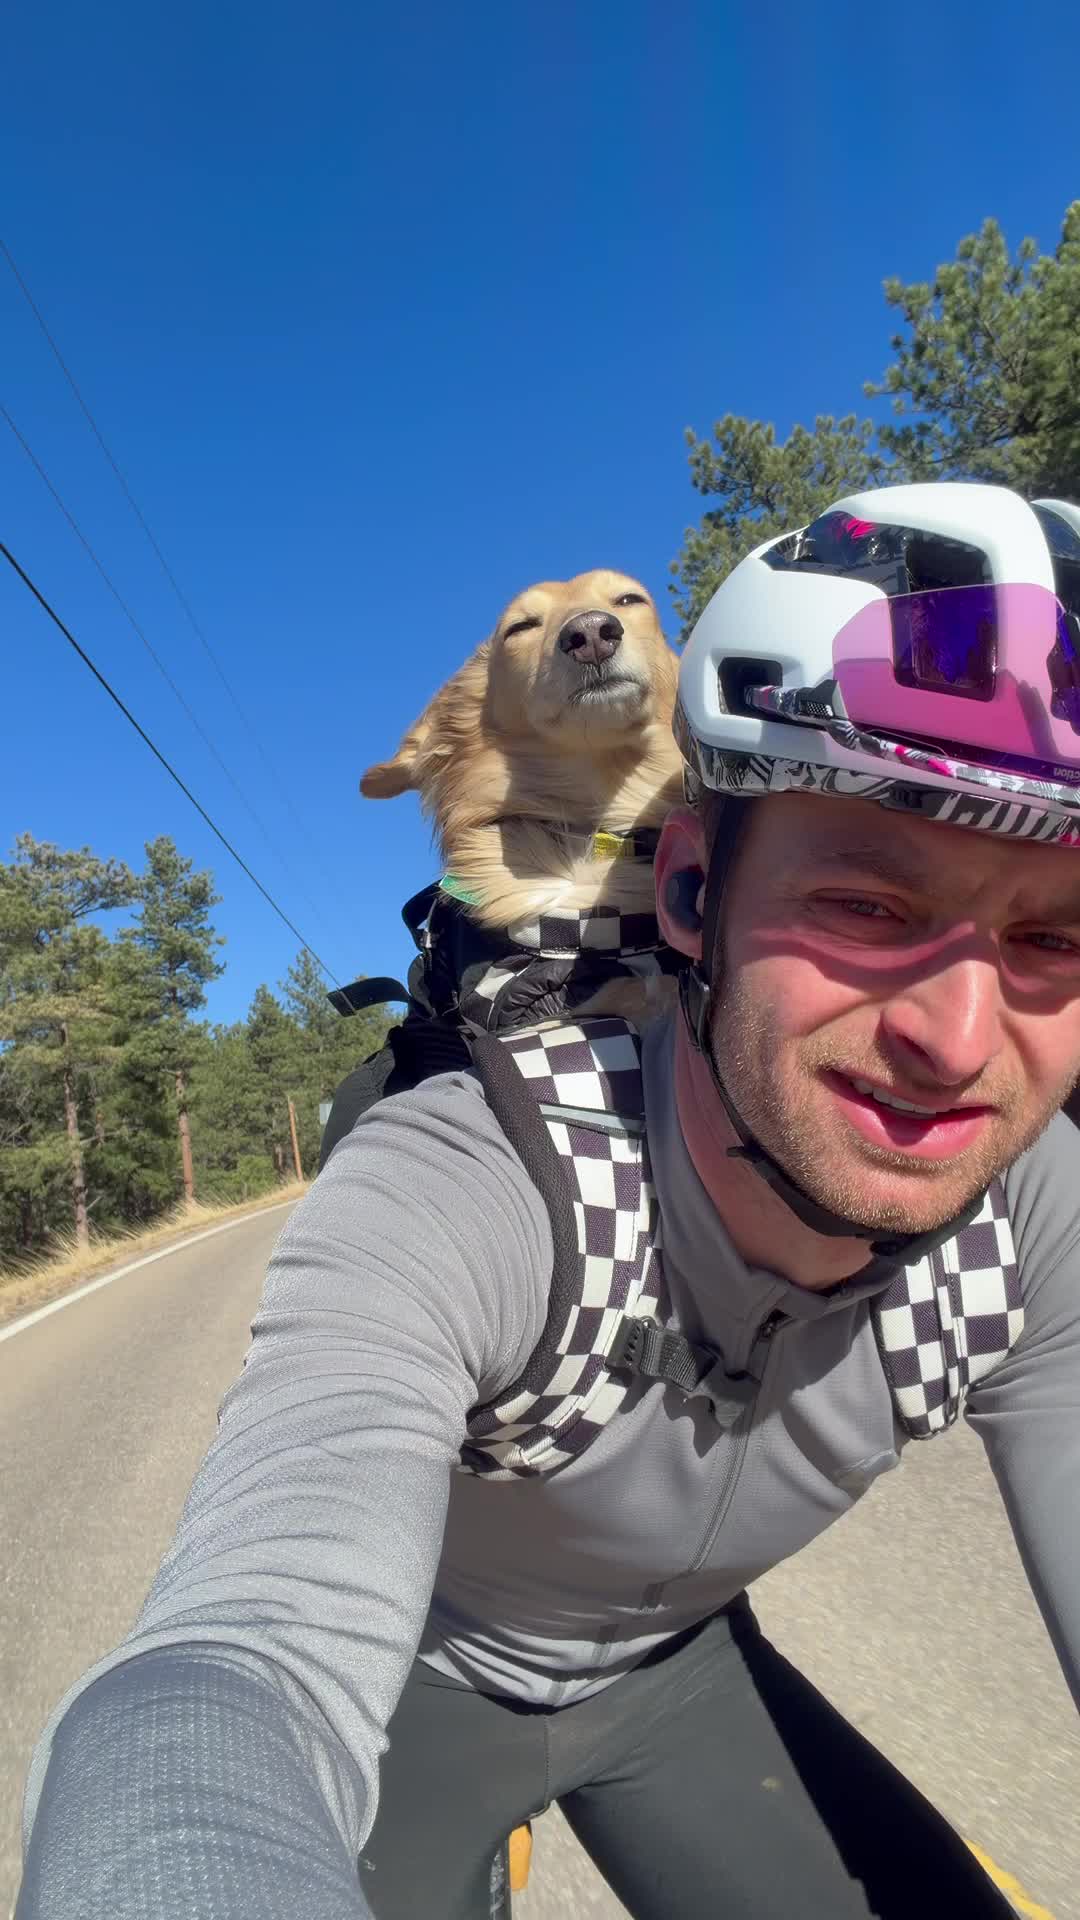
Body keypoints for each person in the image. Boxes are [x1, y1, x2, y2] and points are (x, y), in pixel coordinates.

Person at [16, 482, 1080, 1920]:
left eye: (1057, 936)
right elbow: (225, 1671)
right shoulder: (465, 1173)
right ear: (689, 891)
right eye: (866, 906)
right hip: (419, 1679)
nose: (954, 1042)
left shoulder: (1037, 1210)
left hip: (682, 1662)